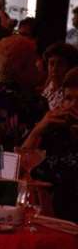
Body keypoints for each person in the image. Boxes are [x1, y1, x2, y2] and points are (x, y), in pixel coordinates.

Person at [0, 35, 48, 151]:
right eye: (34, 63)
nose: (39, 67)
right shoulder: (29, 103)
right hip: (14, 160)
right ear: (21, 69)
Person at [25, 67, 78, 222]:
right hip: (43, 218)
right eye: (68, 99)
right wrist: (36, 131)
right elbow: (18, 166)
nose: (73, 106)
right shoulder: (54, 130)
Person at [41, 42, 78, 110]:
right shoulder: (45, 88)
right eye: (51, 64)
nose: (54, 69)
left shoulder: (71, 93)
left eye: (60, 64)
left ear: (70, 67)